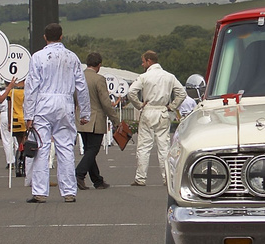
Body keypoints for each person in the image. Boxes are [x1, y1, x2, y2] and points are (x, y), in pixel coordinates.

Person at [25, 23, 89, 203]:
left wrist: (28, 115)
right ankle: (69, 191)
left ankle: (40, 192)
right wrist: (85, 112)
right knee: (66, 147)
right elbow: (81, 87)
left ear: (45, 37)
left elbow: (31, 87)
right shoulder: (72, 57)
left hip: (43, 103)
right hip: (65, 102)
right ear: (61, 36)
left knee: (41, 148)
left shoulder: (38, 57)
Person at [125, 50, 184, 188]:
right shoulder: (170, 76)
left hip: (148, 109)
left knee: (144, 146)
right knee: (164, 147)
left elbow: (131, 92)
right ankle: (167, 178)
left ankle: (141, 177)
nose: (142, 64)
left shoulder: (144, 77)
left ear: (149, 61)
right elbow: (182, 93)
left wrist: (139, 105)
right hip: (163, 110)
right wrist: (172, 106)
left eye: (143, 61)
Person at [76, 51, 119, 190]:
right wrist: (115, 120)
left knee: (89, 150)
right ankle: (79, 174)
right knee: (93, 150)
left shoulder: (78, 77)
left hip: (81, 117)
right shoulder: (99, 79)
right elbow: (106, 103)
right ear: (99, 65)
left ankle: (97, 180)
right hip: (95, 119)